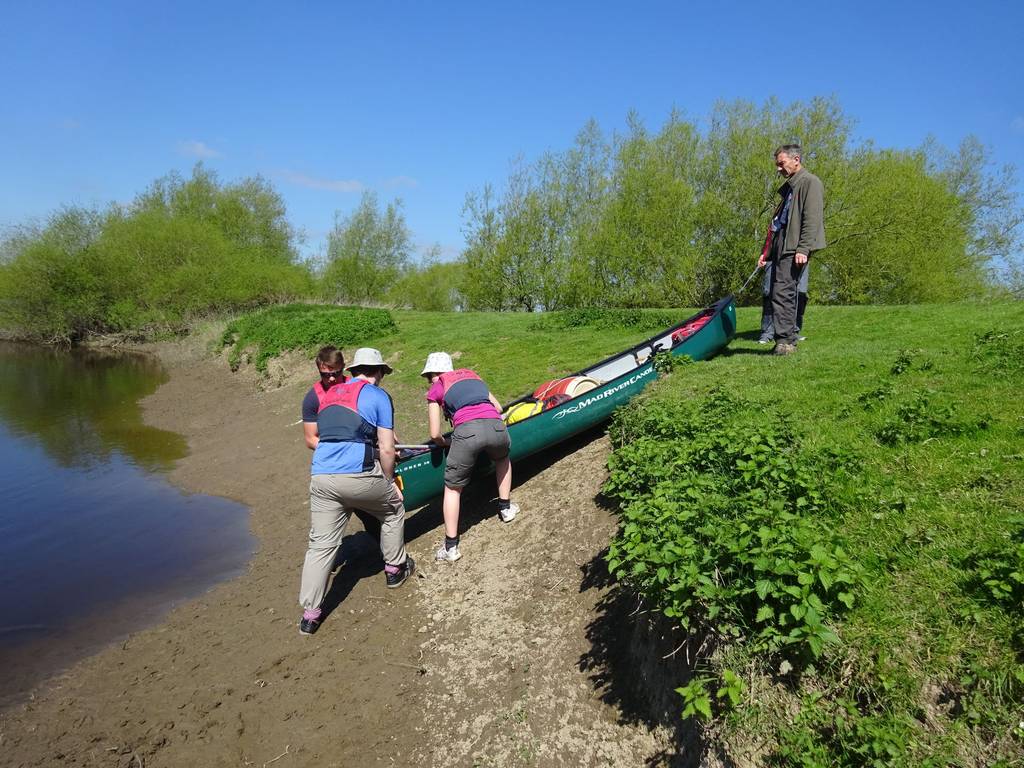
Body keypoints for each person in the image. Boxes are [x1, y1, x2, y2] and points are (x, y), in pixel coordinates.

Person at [297, 346, 413, 635]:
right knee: (393, 510)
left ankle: (310, 615)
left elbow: (325, 435)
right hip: (358, 475)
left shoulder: (327, 396)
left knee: (321, 545)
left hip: (321, 477)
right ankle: (396, 569)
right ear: (379, 373)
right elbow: (387, 448)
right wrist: (388, 482)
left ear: (349, 372)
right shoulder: (378, 396)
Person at [421, 352, 518, 563]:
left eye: (429, 376)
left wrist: (446, 443)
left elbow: (435, 433)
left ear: (435, 373)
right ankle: (506, 508)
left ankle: (451, 547)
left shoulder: (437, 387)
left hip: (467, 432)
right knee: (502, 459)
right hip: (495, 426)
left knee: (453, 488)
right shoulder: (473, 376)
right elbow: (499, 408)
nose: (430, 381)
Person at [756, 144, 825, 355]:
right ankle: (785, 339)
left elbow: (812, 218)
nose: (778, 168)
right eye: (777, 164)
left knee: (783, 292)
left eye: (781, 163)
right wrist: (766, 252)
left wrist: (803, 248)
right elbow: (778, 223)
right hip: (782, 246)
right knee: (779, 291)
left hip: (794, 246)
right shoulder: (791, 186)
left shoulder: (809, 182)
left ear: (796, 159)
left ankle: (785, 342)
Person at [758, 261, 809, 344]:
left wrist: (805, 251)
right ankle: (767, 333)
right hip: (774, 255)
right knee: (769, 291)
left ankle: (794, 331)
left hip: (802, 255)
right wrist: (764, 254)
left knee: (800, 293)